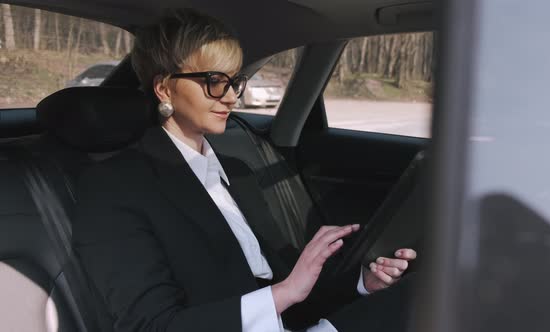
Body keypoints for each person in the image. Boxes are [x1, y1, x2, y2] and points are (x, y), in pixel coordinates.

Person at [73, 9, 417, 332]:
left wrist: (362, 284)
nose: (230, 97)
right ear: (164, 88)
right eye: (213, 81)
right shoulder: (113, 187)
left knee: (419, 291)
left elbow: (284, 292)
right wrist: (286, 292)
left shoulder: (236, 171)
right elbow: (153, 326)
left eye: (234, 81)